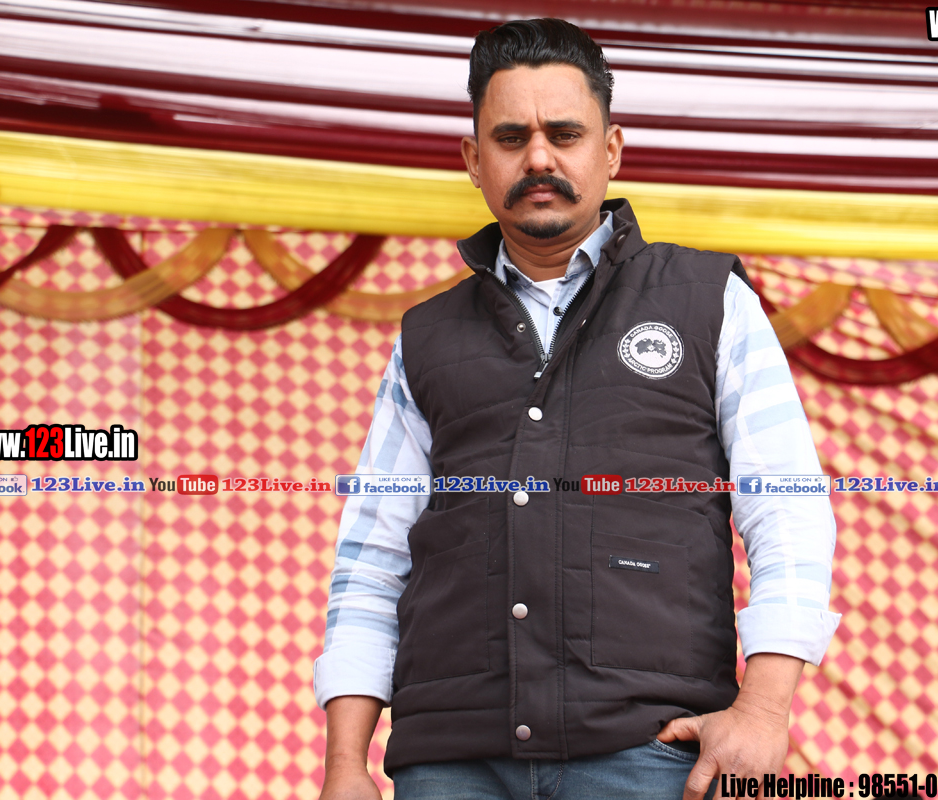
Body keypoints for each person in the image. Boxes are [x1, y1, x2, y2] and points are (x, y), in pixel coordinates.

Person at [314, 18, 839, 800]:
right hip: (452, 764)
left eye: (564, 134)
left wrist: (763, 710)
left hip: (647, 753)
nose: (539, 159)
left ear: (611, 149)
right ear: (473, 161)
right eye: (510, 138)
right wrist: (344, 765)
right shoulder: (427, 338)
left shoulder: (708, 302)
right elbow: (372, 560)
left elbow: (788, 510)